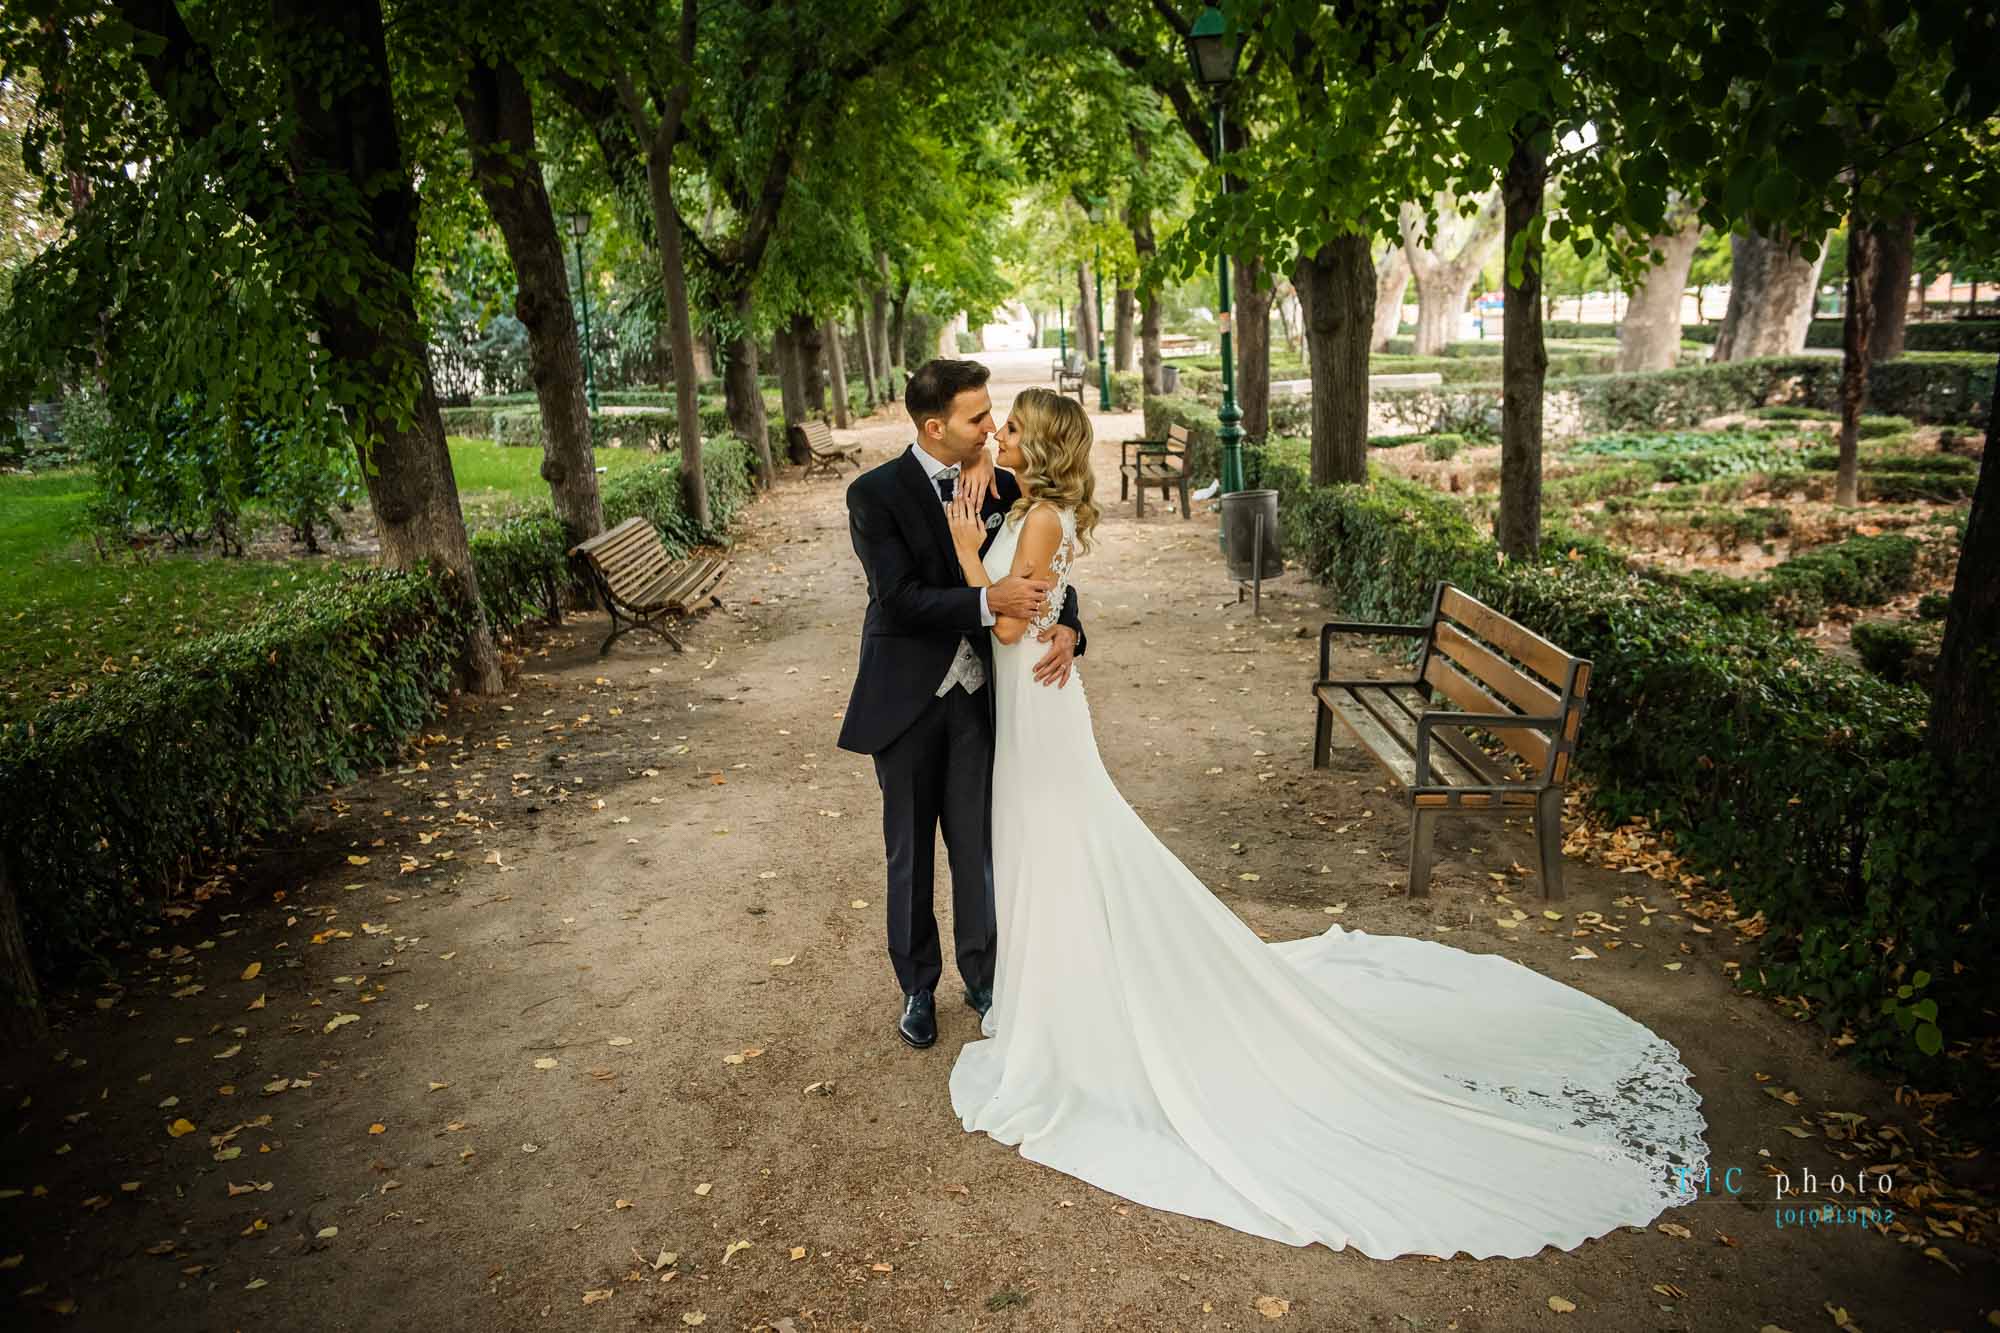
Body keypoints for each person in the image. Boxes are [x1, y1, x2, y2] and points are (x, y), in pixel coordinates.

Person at [940, 385, 1709, 1262]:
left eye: (1009, 425)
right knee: (1057, 852)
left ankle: (1069, 1014)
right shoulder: (1030, 504)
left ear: (1037, 441)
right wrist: (1030, 599)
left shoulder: (1035, 518)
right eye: (990, 421)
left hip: (1038, 713)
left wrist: (972, 556)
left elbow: (1007, 633)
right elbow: (1039, 611)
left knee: (1062, 850)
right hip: (1040, 711)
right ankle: (1055, 995)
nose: (996, 432)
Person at [837, 359, 1086, 1052]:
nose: (989, 426)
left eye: (992, 416)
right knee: (909, 853)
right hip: (908, 699)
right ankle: (919, 986)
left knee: (980, 847)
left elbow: (1048, 571)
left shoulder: (1008, 480)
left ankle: (985, 977)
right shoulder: (874, 495)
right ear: (934, 426)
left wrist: (1072, 628)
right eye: (978, 417)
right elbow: (900, 598)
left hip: (984, 699)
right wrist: (987, 600)